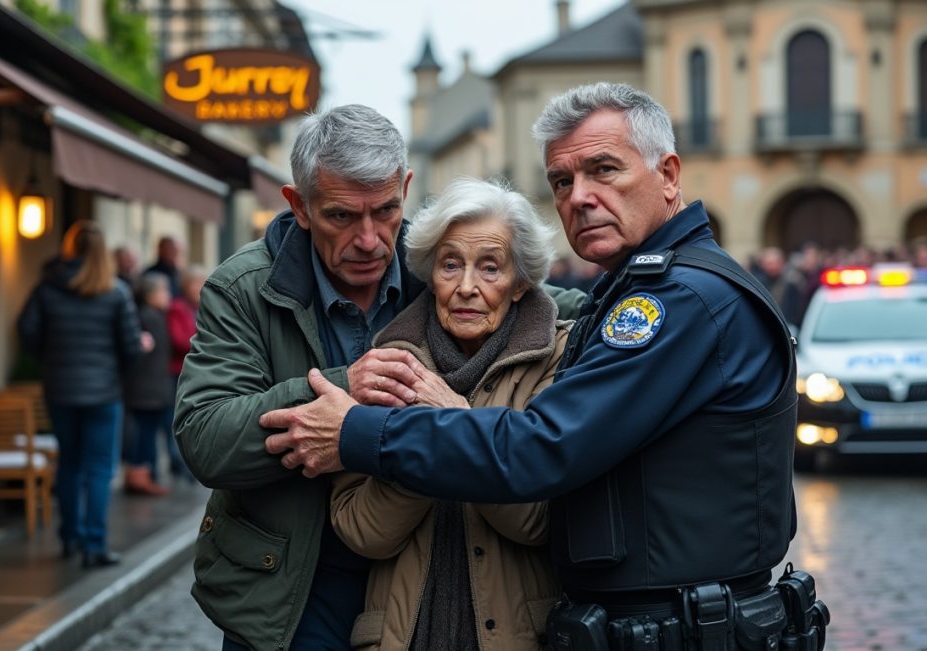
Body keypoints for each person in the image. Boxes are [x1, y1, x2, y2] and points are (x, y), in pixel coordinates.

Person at [262, 84, 822, 650]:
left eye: (604, 170)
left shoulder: (678, 299)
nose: (580, 196)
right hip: (652, 619)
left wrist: (358, 430)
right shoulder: (641, 287)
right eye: (562, 180)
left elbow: (541, 450)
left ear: (669, 175)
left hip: (684, 623)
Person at [174, 105, 583, 651]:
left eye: (386, 211)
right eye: (342, 217)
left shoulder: (433, 260)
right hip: (291, 587)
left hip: (407, 584)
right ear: (298, 205)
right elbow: (205, 438)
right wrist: (343, 387)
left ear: (406, 190)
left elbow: (528, 295)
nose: (369, 240)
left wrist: (646, 306)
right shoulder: (244, 287)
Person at [330, 178, 565, 650]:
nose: (466, 288)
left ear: (519, 284)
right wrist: (433, 449)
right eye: (450, 264)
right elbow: (360, 531)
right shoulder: (388, 362)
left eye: (491, 268)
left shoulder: (558, 357)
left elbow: (541, 521)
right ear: (430, 273)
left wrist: (450, 422)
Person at [18, 220, 150, 568]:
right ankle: (95, 545)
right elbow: (131, 346)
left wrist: (50, 356)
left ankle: (69, 537)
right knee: (100, 469)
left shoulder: (47, 287)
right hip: (104, 392)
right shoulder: (115, 290)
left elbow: (26, 332)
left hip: (60, 389)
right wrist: (118, 371)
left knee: (70, 464)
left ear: (69, 247)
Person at [121, 272, 173, 496]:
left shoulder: (147, 316)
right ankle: (142, 478)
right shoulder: (151, 317)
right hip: (149, 388)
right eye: (164, 291)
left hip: (146, 387)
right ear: (151, 295)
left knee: (145, 432)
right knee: (146, 434)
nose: (168, 295)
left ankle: (141, 476)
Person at [165, 264, 207, 481]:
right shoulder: (178, 308)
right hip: (179, 372)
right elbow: (179, 340)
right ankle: (181, 463)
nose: (200, 287)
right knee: (180, 418)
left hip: (200, 372)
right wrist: (204, 341)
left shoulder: (205, 306)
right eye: (195, 283)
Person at [752, 246, 806, 326]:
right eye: (769, 264)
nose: (772, 267)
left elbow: (796, 310)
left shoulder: (792, 281)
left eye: (774, 263)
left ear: (782, 263)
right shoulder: (758, 282)